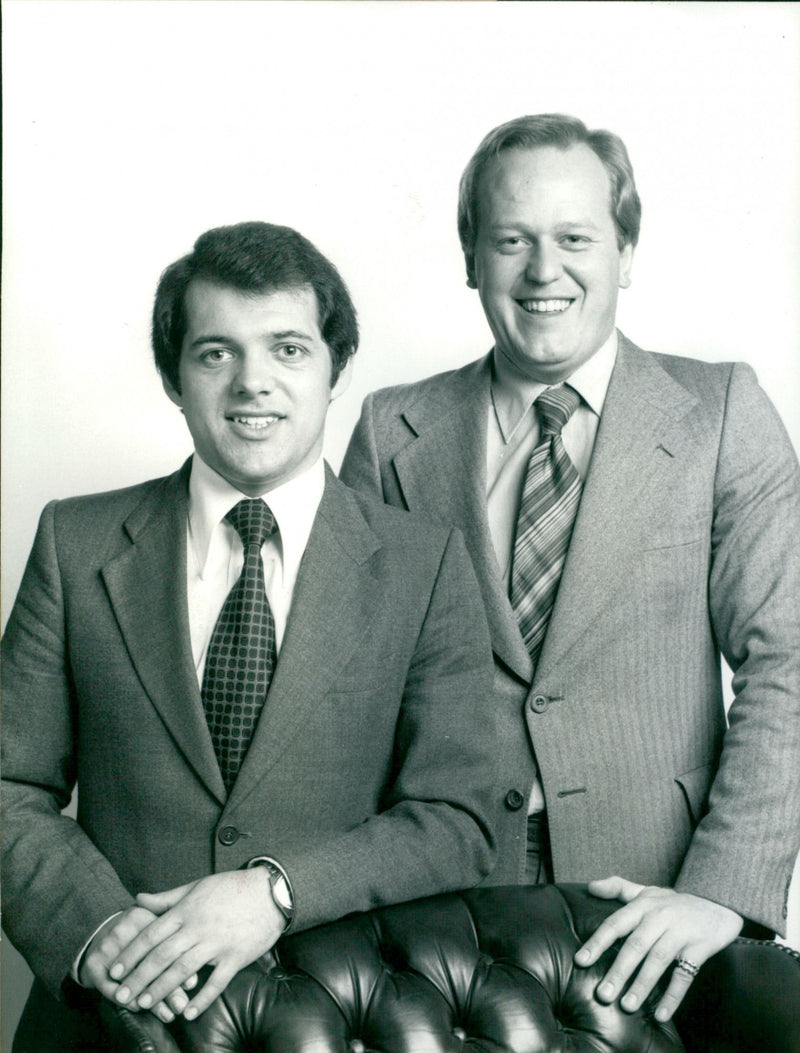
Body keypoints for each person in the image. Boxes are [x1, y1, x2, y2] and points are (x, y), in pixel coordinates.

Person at [341, 114, 800, 1022]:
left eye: (576, 239)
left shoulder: (720, 414)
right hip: (437, 904)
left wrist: (720, 890)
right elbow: (345, 692)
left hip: (656, 895)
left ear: (626, 252)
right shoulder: (393, 431)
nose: (543, 270)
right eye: (512, 240)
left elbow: (787, 659)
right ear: (471, 258)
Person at [1, 221, 499, 1051]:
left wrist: (275, 892)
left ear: (337, 367)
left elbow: (460, 817)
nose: (252, 382)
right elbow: (8, 781)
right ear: (174, 376)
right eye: (215, 353)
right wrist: (100, 933)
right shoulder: (73, 543)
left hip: (338, 1015)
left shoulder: (424, 564)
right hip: (107, 1021)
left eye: (288, 349)